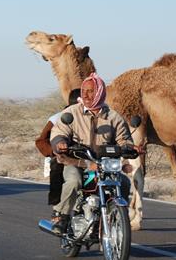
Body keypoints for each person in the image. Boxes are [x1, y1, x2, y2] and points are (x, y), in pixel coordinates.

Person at [49, 72, 141, 234]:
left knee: (124, 183)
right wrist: (60, 142)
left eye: (91, 91)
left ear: (100, 92)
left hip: (103, 165)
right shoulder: (71, 113)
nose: (85, 94)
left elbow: (124, 139)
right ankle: (61, 216)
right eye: (84, 91)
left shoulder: (113, 117)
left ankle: (119, 216)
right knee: (74, 181)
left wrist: (129, 147)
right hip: (75, 161)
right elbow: (58, 132)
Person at [35, 89, 81, 216]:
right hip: (65, 158)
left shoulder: (95, 117)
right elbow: (41, 141)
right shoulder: (58, 118)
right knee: (69, 178)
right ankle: (60, 213)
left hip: (88, 159)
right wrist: (55, 150)